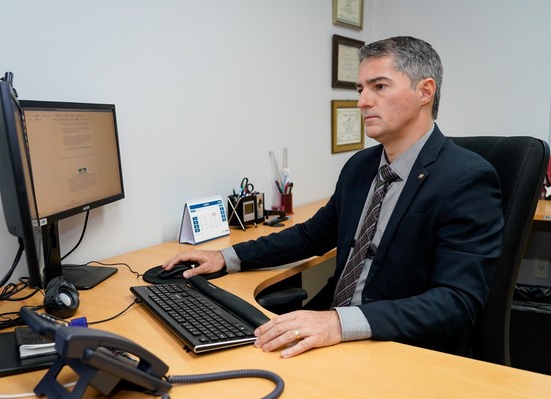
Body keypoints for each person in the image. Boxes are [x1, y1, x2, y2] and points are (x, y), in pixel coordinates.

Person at [162, 36, 503, 359]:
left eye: (379, 86)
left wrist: (340, 323)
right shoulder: (360, 166)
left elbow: (457, 303)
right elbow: (311, 236)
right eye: (360, 89)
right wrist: (227, 256)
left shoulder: (466, 178)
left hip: (398, 346)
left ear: (425, 91)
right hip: (331, 329)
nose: (362, 101)